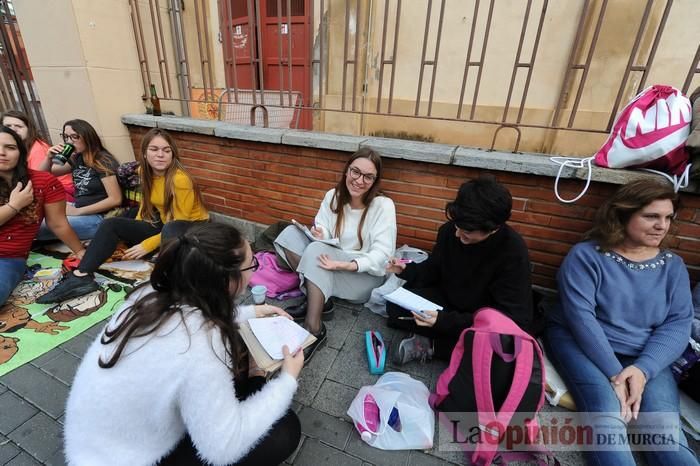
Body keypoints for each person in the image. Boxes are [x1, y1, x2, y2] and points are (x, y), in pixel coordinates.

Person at [64, 223, 304, 466]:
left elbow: (199, 312)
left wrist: (252, 311)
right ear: (229, 281)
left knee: (240, 364)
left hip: (93, 437)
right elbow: (223, 450)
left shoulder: (150, 292)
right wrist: (287, 381)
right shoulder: (199, 347)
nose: (255, 271)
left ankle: (253, 380)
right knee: (285, 430)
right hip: (131, 458)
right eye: (252, 265)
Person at [545, 179, 698, 466]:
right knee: (607, 413)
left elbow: (678, 324)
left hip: (644, 354)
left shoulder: (673, 266)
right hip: (581, 342)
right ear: (624, 214)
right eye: (651, 216)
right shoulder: (586, 256)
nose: (661, 226)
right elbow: (581, 319)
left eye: (667, 217)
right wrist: (619, 377)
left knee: (666, 434)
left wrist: (642, 371)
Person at [37, 128, 209, 304]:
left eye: (166, 150)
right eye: (154, 149)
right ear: (144, 152)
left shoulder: (179, 179)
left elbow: (179, 222)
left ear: (173, 154)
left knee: (170, 228)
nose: (160, 155)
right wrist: (134, 230)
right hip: (165, 223)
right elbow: (147, 204)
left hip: (192, 228)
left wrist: (146, 244)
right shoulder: (144, 171)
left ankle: (176, 284)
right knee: (111, 224)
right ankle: (81, 276)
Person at [386, 176, 532, 364]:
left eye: (467, 231)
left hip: (481, 315)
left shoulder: (513, 251)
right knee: (395, 306)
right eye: (457, 225)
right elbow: (433, 269)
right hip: (448, 300)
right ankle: (449, 344)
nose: (457, 233)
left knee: (503, 344)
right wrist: (405, 269)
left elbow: (512, 319)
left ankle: (434, 347)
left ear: (493, 228)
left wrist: (444, 321)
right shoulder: (450, 231)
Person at [274, 148, 396, 360]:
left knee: (315, 250)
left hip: (362, 276)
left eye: (368, 176)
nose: (359, 181)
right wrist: (321, 232)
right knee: (289, 235)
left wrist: (347, 265)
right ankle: (321, 299)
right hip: (331, 261)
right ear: (347, 171)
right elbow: (325, 230)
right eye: (355, 172)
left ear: (375, 180)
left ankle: (315, 328)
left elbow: (383, 255)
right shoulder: (334, 195)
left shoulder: (383, 206)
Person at [0, 126, 85, 306]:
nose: (2, 153)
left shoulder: (43, 182)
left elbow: (58, 223)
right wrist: (14, 206)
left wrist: (80, 252)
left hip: (8, 257)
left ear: (21, 152)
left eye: (10, 147)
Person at [37, 119, 122, 240]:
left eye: (74, 137)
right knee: (33, 214)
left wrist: (78, 212)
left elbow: (115, 199)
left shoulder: (103, 161)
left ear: (87, 137)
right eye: (66, 137)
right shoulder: (78, 158)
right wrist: (48, 158)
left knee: (38, 227)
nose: (69, 141)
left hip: (99, 218)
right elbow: (42, 176)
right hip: (78, 208)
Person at [1, 110, 75, 200]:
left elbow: (37, 181)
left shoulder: (37, 149)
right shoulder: (22, 147)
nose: (13, 129)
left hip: (59, 190)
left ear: (29, 129)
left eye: (19, 126)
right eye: (8, 126)